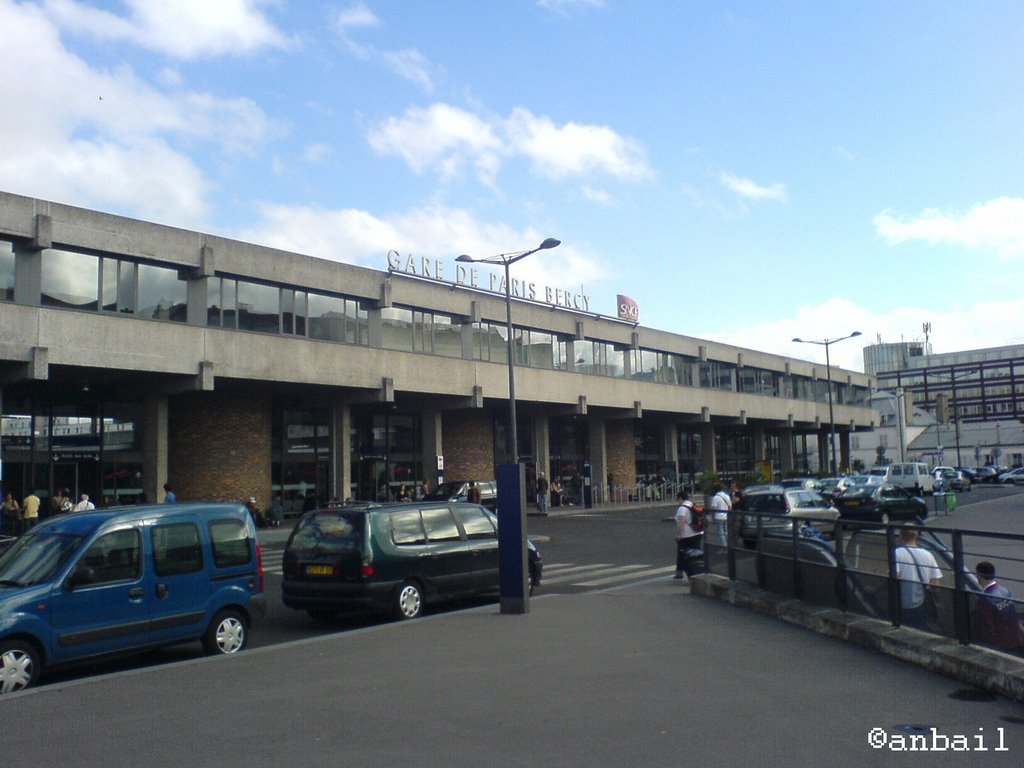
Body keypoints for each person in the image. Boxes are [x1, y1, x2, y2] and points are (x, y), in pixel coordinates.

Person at [893, 526, 941, 629]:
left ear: (901, 536)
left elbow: (893, 576)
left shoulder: (897, 553)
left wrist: (875, 590)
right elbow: (935, 581)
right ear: (916, 536)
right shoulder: (928, 554)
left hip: (902, 603)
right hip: (921, 603)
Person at [973, 561, 1024, 651]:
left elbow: (986, 628)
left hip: (1000, 644)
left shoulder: (984, 599)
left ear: (980, 576)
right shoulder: (1006, 591)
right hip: (1016, 639)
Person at [674, 490, 702, 581]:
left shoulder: (682, 508)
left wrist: (678, 535)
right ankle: (697, 572)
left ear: (681, 498)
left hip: (687, 535)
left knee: (685, 555)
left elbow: (681, 523)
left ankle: (690, 574)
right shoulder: (692, 505)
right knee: (696, 554)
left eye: (677, 500)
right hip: (698, 533)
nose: (677, 502)